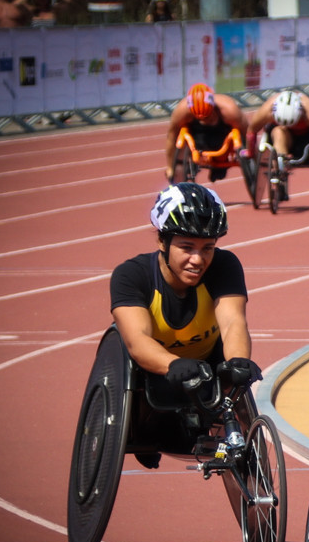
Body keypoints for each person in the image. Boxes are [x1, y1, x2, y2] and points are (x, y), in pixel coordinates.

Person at [110, 183, 261, 467]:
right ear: (162, 242)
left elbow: (233, 322)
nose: (198, 259)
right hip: (153, 372)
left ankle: (222, 452)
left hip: (206, 363)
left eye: (208, 248)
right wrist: (172, 363)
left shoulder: (224, 266)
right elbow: (137, 340)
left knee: (234, 377)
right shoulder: (131, 275)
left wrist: (239, 361)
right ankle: (152, 430)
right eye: (186, 247)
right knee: (155, 403)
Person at [165, 83, 248, 183]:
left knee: (220, 163)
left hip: (222, 136)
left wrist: (251, 155)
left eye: (207, 116)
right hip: (197, 135)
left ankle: (219, 166)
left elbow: (247, 133)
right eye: (200, 118)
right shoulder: (182, 111)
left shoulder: (230, 111)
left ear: (213, 107)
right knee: (181, 132)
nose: (204, 120)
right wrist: (170, 167)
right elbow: (171, 136)